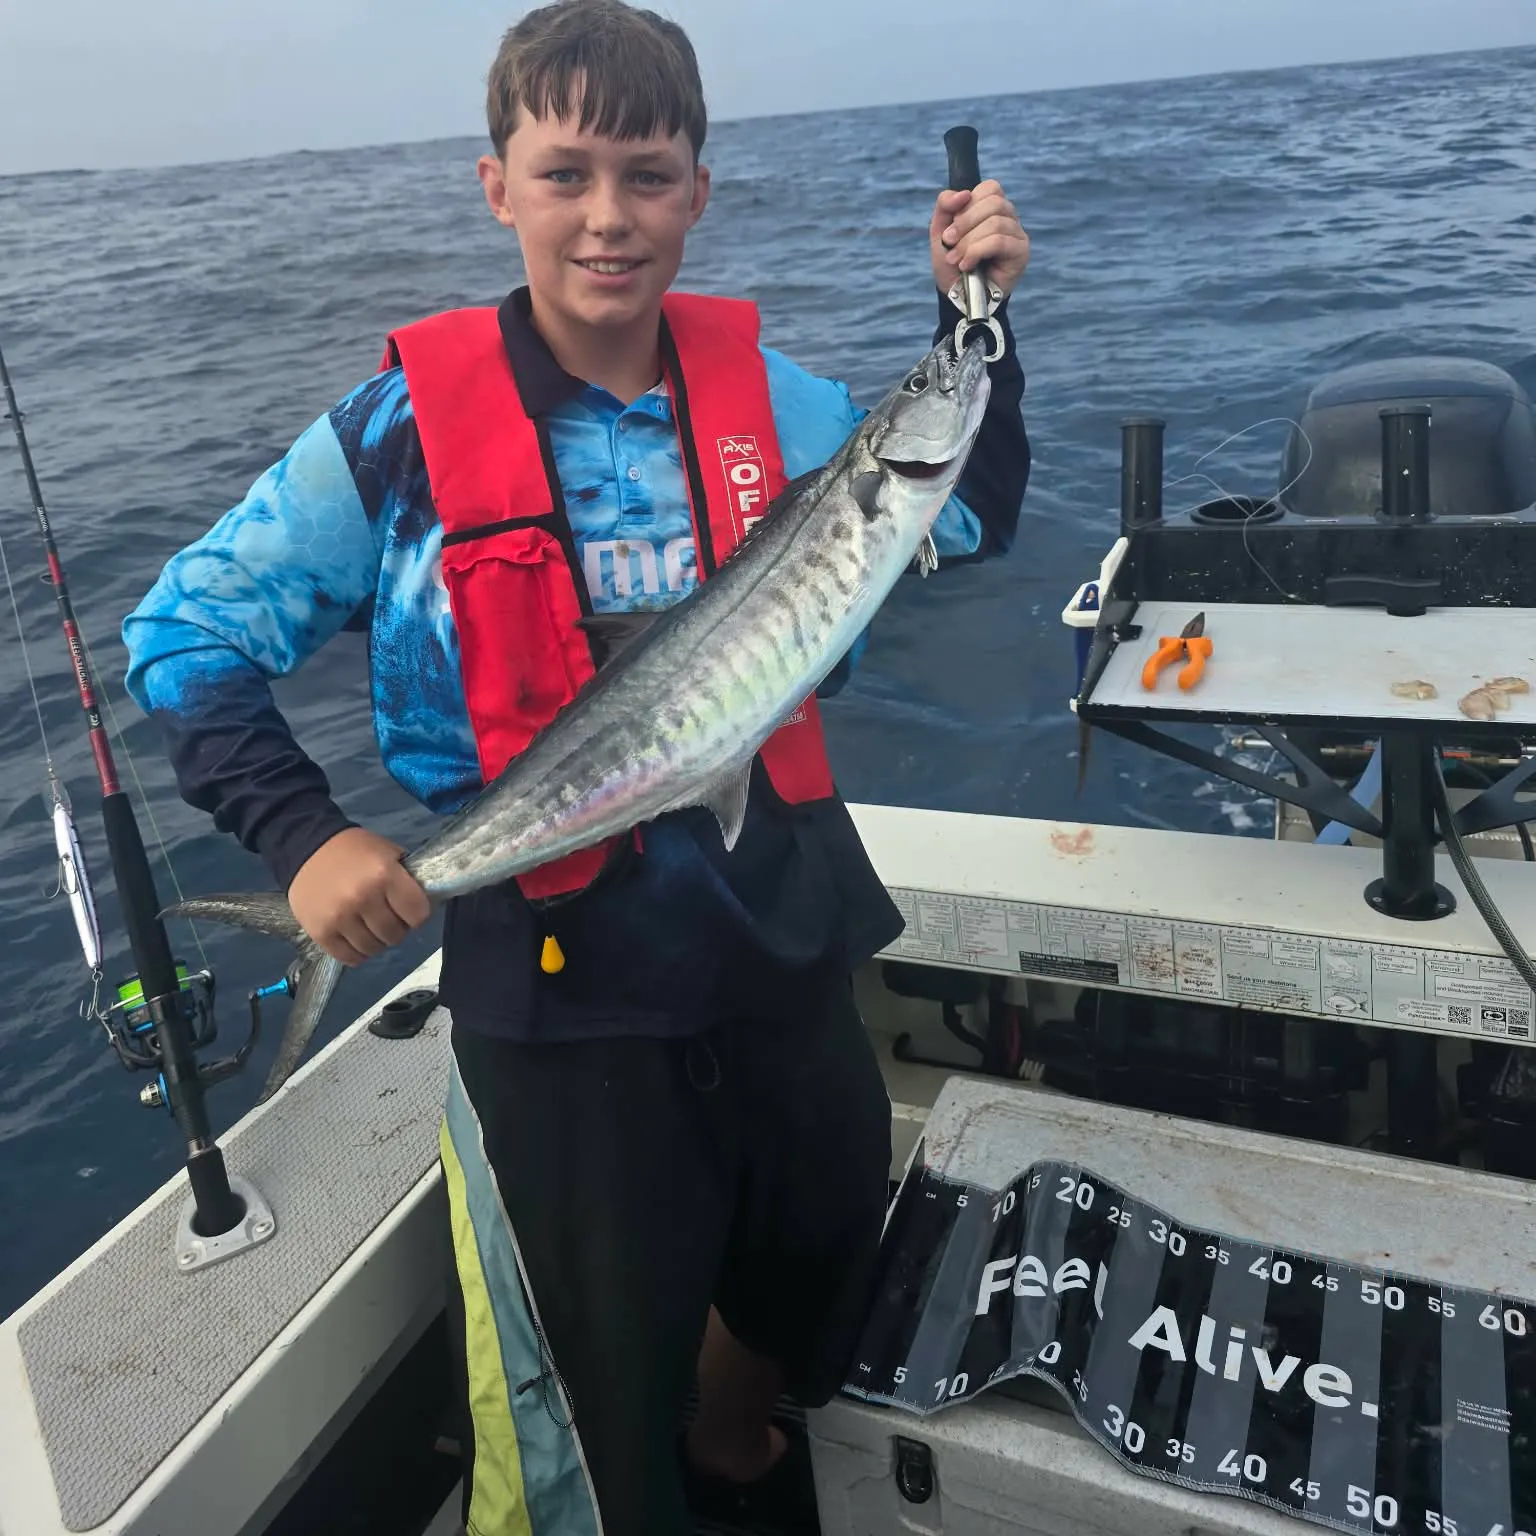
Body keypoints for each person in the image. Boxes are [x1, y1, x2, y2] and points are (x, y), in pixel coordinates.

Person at [121, 1, 1032, 1530]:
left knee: (818, 1263)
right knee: (596, 1380)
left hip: (782, 939)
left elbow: (970, 512)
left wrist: (980, 321)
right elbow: (184, 635)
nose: (609, 217)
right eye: (566, 174)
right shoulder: (398, 431)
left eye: (649, 175)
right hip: (559, 986)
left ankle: (732, 1445)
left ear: (698, 190)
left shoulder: (788, 403)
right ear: (499, 188)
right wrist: (302, 838)